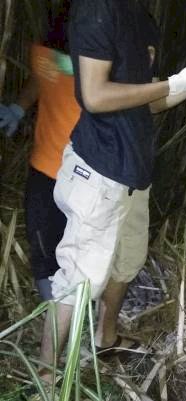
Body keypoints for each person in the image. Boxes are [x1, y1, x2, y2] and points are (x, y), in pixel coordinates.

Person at [37, 0, 186, 382]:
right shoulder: (98, 9)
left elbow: (150, 101)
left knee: (127, 261)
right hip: (99, 170)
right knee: (79, 280)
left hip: (133, 174)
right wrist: (173, 83)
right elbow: (95, 96)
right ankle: (46, 376)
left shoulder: (141, 17)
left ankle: (105, 338)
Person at [0, 0, 76, 300]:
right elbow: (45, 76)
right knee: (48, 251)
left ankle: (64, 317)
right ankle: (57, 321)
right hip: (48, 170)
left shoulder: (56, 57)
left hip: (82, 176)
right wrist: (19, 107)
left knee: (58, 253)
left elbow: (53, 71)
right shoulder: (50, 56)